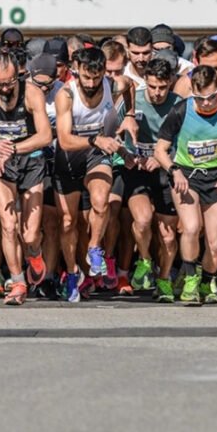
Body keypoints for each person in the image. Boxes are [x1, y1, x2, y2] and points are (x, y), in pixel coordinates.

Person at [154, 65, 217, 305]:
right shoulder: (181, 111)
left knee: (216, 242)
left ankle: (208, 280)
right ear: (193, 92)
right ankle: (189, 280)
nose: (206, 103)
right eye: (200, 98)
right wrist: (174, 170)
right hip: (185, 176)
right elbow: (160, 150)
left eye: (211, 97)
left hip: (216, 177)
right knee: (190, 227)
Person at [53, 46, 138, 302]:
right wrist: (96, 140)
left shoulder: (114, 84)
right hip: (69, 157)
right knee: (69, 222)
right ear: (77, 71)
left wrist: (129, 115)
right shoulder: (66, 94)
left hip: (95, 155)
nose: (91, 83)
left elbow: (130, 85)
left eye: (96, 77)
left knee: (102, 203)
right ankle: (71, 274)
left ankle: (94, 248)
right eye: (86, 78)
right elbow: (65, 140)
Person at [0, 50, 53, 305]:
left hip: (31, 160)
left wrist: (13, 148)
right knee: (8, 224)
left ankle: (35, 253)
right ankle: (18, 282)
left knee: (29, 234)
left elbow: (45, 136)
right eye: (0, 84)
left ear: (19, 75)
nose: (5, 88)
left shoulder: (32, 94)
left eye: (9, 83)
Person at [122, 57, 182, 301]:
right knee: (143, 219)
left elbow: (184, 143)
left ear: (170, 84)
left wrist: (163, 159)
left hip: (166, 170)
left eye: (163, 87)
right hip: (138, 170)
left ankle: (165, 279)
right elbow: (116, 135)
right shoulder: (134, 102)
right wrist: (127, 156)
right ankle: (145, 260)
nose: (157, 93)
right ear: (145, 81)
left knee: (168, 235)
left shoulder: (179, 104)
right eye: (153, 86)